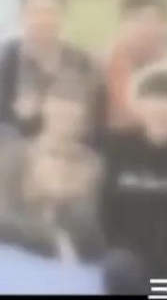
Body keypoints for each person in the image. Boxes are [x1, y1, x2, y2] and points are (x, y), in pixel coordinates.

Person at [100, 62, 167, 285]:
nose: (163, 112)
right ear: (139, 105)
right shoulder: (117, 146)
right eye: (155, 102)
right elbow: (105, 206)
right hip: (126, 260)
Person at [0, 75, 105, 263]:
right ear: (45, 109)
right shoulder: (15, 154)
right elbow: (4, 216)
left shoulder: (93, 165)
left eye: (74, 112)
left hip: (71, 259)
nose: (66, 117)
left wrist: (65, 197)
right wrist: (52, 238)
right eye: (60, 110)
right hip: (17, 253)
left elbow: (90, 225)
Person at [0, 0, 98, 138]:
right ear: (21, 16)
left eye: (50, 12)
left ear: (63, 15)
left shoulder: (82, 64)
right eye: (35, 13)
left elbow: (93, 125)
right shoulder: (5, 62)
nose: (42, 21)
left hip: (70, 148)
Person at [99, 0, 167, 135]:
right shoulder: (101, 66)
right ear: (123, 22)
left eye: (155, 22)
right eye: (139, 21)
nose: (147, 29)